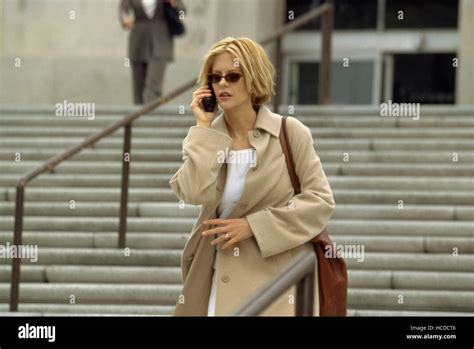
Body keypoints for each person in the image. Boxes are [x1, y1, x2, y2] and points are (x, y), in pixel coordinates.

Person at [169, 37, 336, 316]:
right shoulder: (210, 136)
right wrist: (203, 125)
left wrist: (253, 226)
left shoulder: (289, 132)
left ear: (253, 78)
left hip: (275, 283)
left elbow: (320, 201)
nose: (223, 84)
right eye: (215, 77)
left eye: (233, 76)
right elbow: (193, 192)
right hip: (215, 278)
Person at [119, 0, 185, 104]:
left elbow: (182, 12)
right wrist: (124, 18)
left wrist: (173, 3)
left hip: (161, 41)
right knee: (138, 91)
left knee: (152, 90)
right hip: (138, 41)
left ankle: (151, 118)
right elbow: (123, 9)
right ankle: (138, 118)